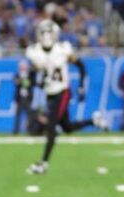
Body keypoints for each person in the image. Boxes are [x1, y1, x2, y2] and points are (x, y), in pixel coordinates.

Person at [26, 19, 107, 174]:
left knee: (51, 127)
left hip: (62, 92)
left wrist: (82, 87)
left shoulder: (62, 50)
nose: (46, 36)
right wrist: (38, 82)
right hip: (50, 93)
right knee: (67, 127)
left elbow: (81, 65)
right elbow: (34, 73)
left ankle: (43, 164)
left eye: (48, 33)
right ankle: (94, 120)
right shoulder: (35, 52)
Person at [13, 59, 35, 134]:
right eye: (21, 66)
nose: (22, 67)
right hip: (19, 98)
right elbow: (16, 82)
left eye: (24, 66)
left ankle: (30, 130)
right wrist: (23, 81)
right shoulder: (17, 74)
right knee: (18, 115)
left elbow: (30, 84)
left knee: (29, 115)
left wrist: (22, 81)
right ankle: (16, 131)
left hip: (28, 98)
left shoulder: (30, 75)